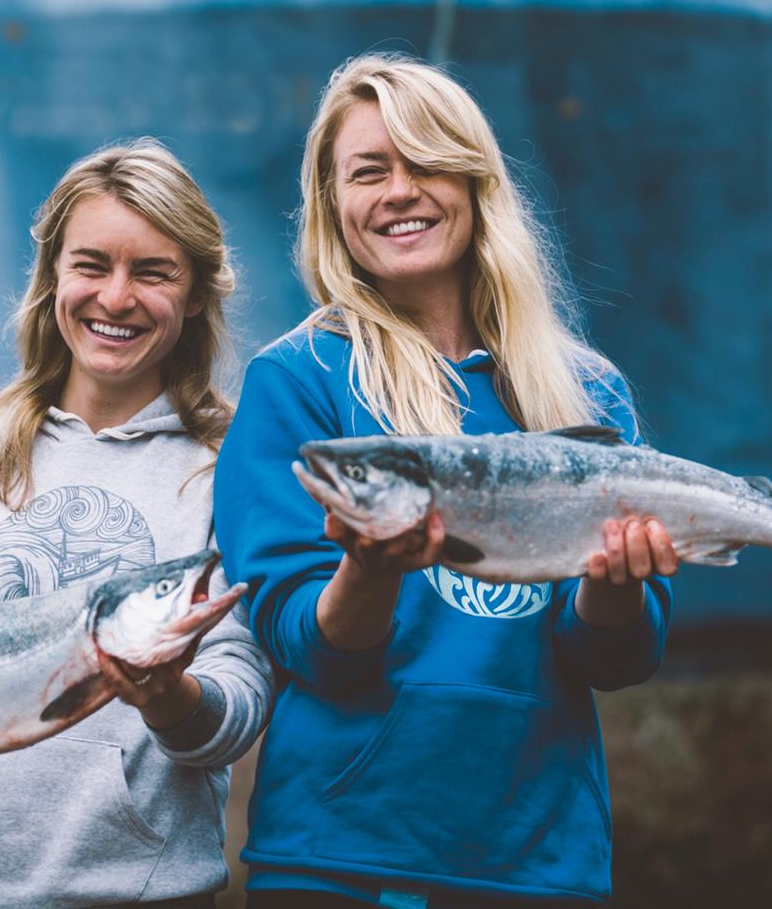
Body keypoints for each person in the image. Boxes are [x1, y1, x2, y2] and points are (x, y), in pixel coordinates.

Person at [214, 54, 678, 908]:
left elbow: (620, 656)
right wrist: (370, 567)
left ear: (475, 184)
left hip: (540, 856)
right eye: (368, 171)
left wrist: (615, 589)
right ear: (334, 207)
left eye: (425, 161)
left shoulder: (585, 391)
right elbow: (301, 645)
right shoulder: (298, 381)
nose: (399, 190)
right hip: (342, 856)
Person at [0, 140, 274, 909]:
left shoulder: (233, 465)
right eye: (91, 264)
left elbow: (238, 715)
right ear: (54, 276)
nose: (116, 297)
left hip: (144, 893)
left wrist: (167, 695)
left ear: (196, 292)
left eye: (153, 271)